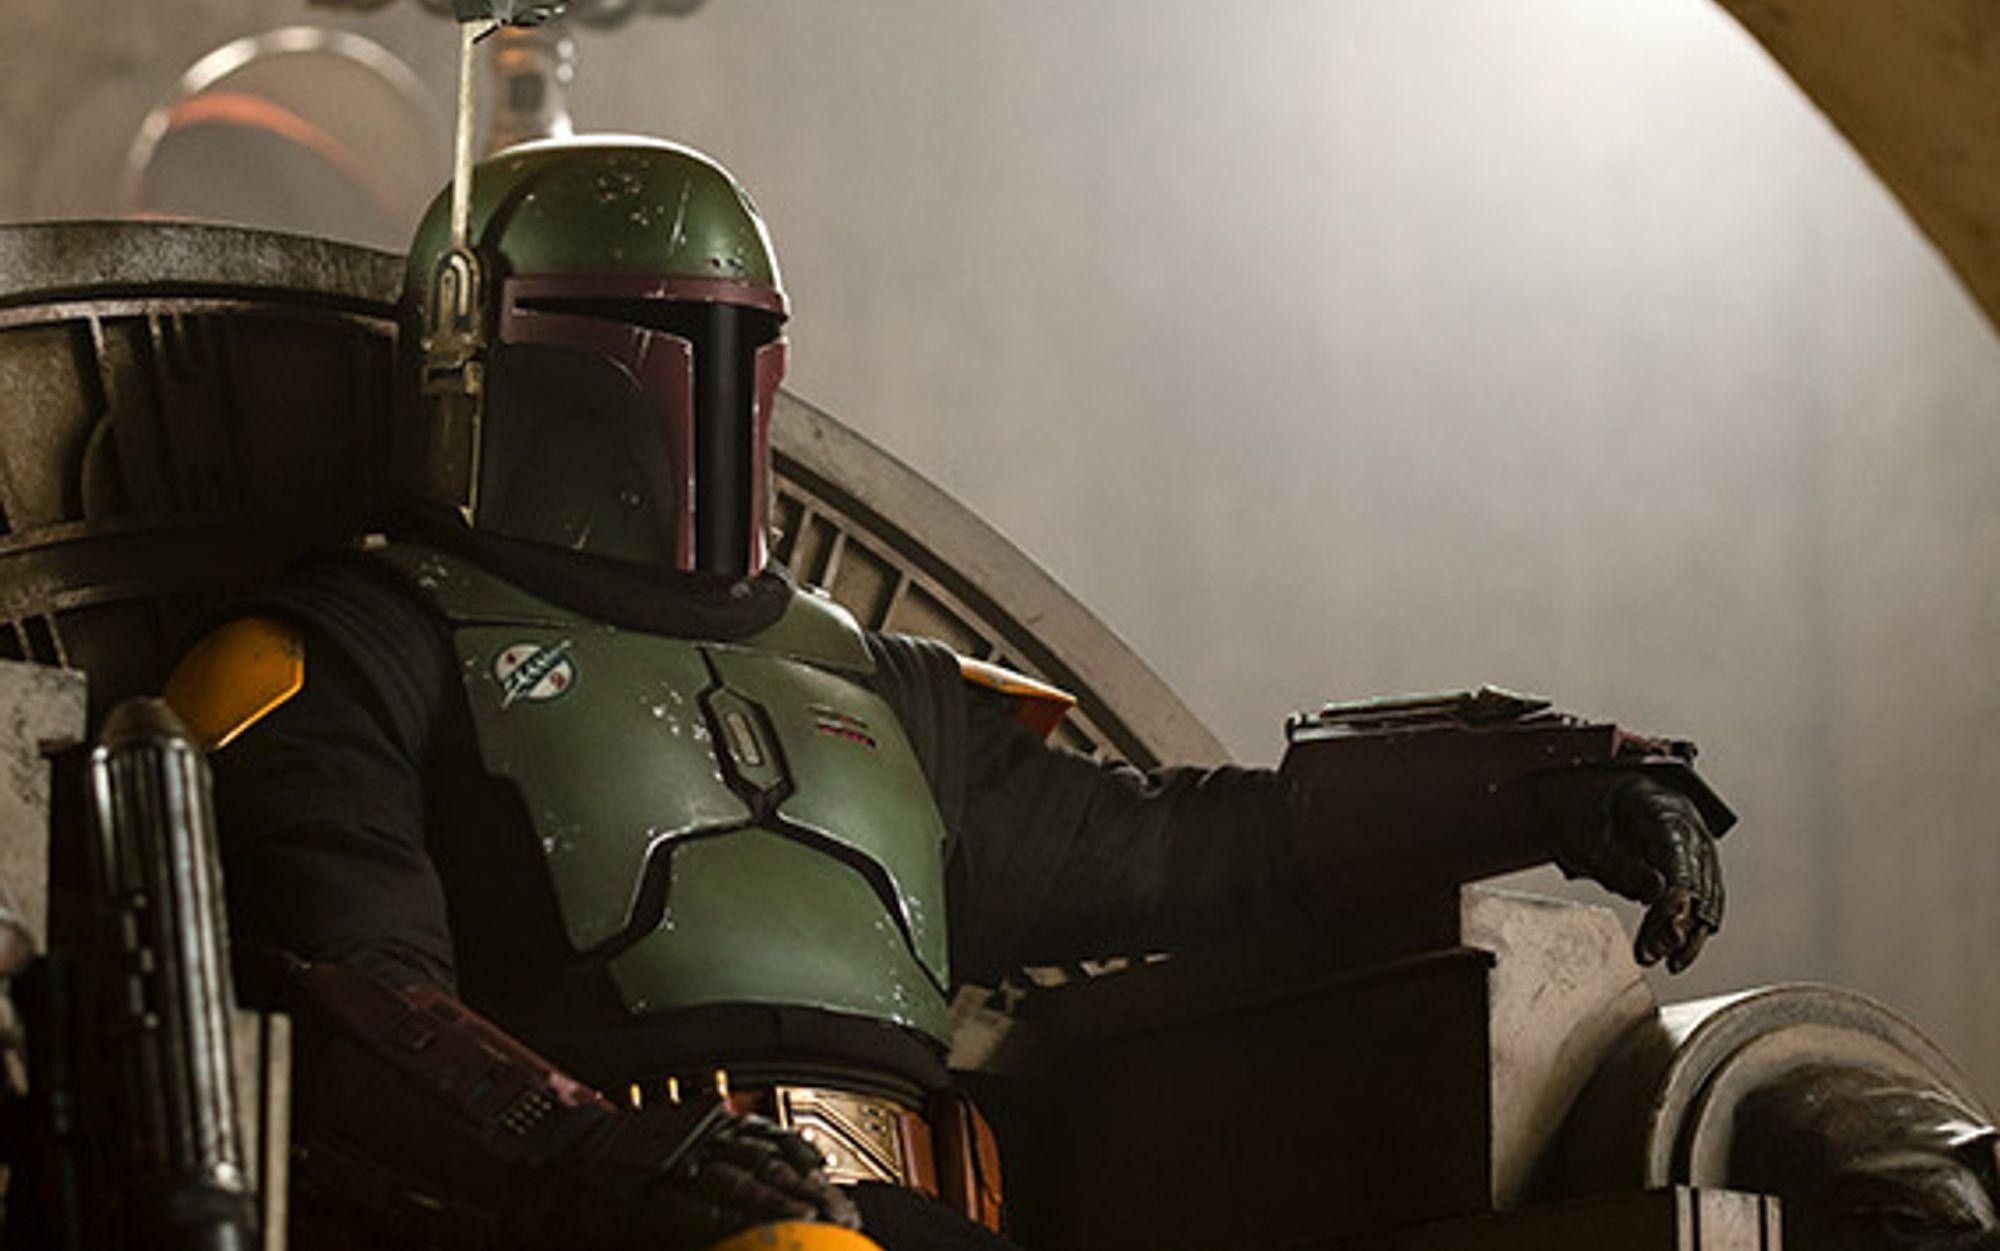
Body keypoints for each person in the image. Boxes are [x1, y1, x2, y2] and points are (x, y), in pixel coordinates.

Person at [164, 135, 1727, 1251]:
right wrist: (586, 1150)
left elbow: (1200, 849)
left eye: (732, 340)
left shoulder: (881, 688)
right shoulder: (355, 646)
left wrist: (1548, 786)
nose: (701, 379)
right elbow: (348, 996)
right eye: (654, 333)